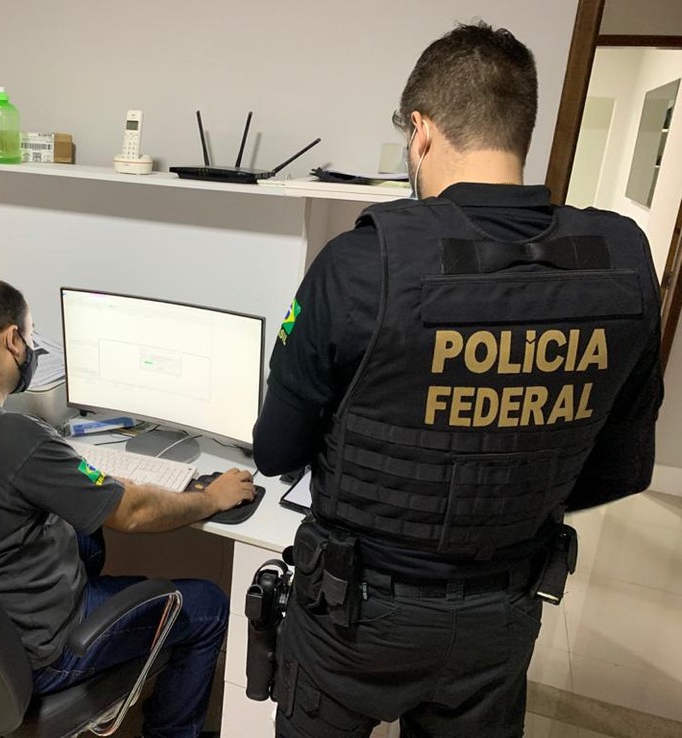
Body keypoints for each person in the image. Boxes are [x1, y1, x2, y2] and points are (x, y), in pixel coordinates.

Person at [252, 22, 663, 738]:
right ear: (521, 130)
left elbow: (275, 451)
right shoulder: (622, 260)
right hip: (501, 612)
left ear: (421, 132)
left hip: (354, 613)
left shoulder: (359, 264)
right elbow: (620, 469)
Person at [0, 276, 255, 738]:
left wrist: (87, 482)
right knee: (209, 605)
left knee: (87, 537)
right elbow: (133, 513)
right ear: (12, 340)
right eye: (31, 336)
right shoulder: (17, 438)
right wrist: (209, 498)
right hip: (41, 649)